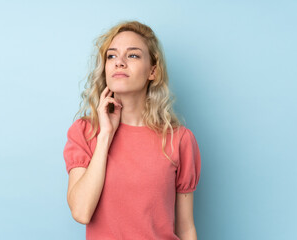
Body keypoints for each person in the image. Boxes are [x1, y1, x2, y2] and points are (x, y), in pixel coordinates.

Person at [63, 20, 201, 240]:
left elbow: (186, 228)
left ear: (152, 71)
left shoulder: (179, 139)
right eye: (112, 56)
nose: (119, 62)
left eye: (133, 55)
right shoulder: (85, 132)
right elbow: (81, 212)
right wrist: (106, 135)